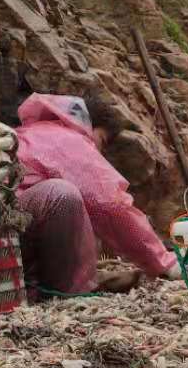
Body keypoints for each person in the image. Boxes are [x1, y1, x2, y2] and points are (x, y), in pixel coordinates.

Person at [14, 93, 177, 296]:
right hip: (8, 231)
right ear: (91, 126)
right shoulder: (67, 139)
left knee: (78, 210)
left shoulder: (31, 132)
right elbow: (110, 206)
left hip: (0, 230)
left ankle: (40, 285)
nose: (98, 150)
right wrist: (162, 261)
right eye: (102, 141)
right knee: (63, 196)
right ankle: (64, 292)